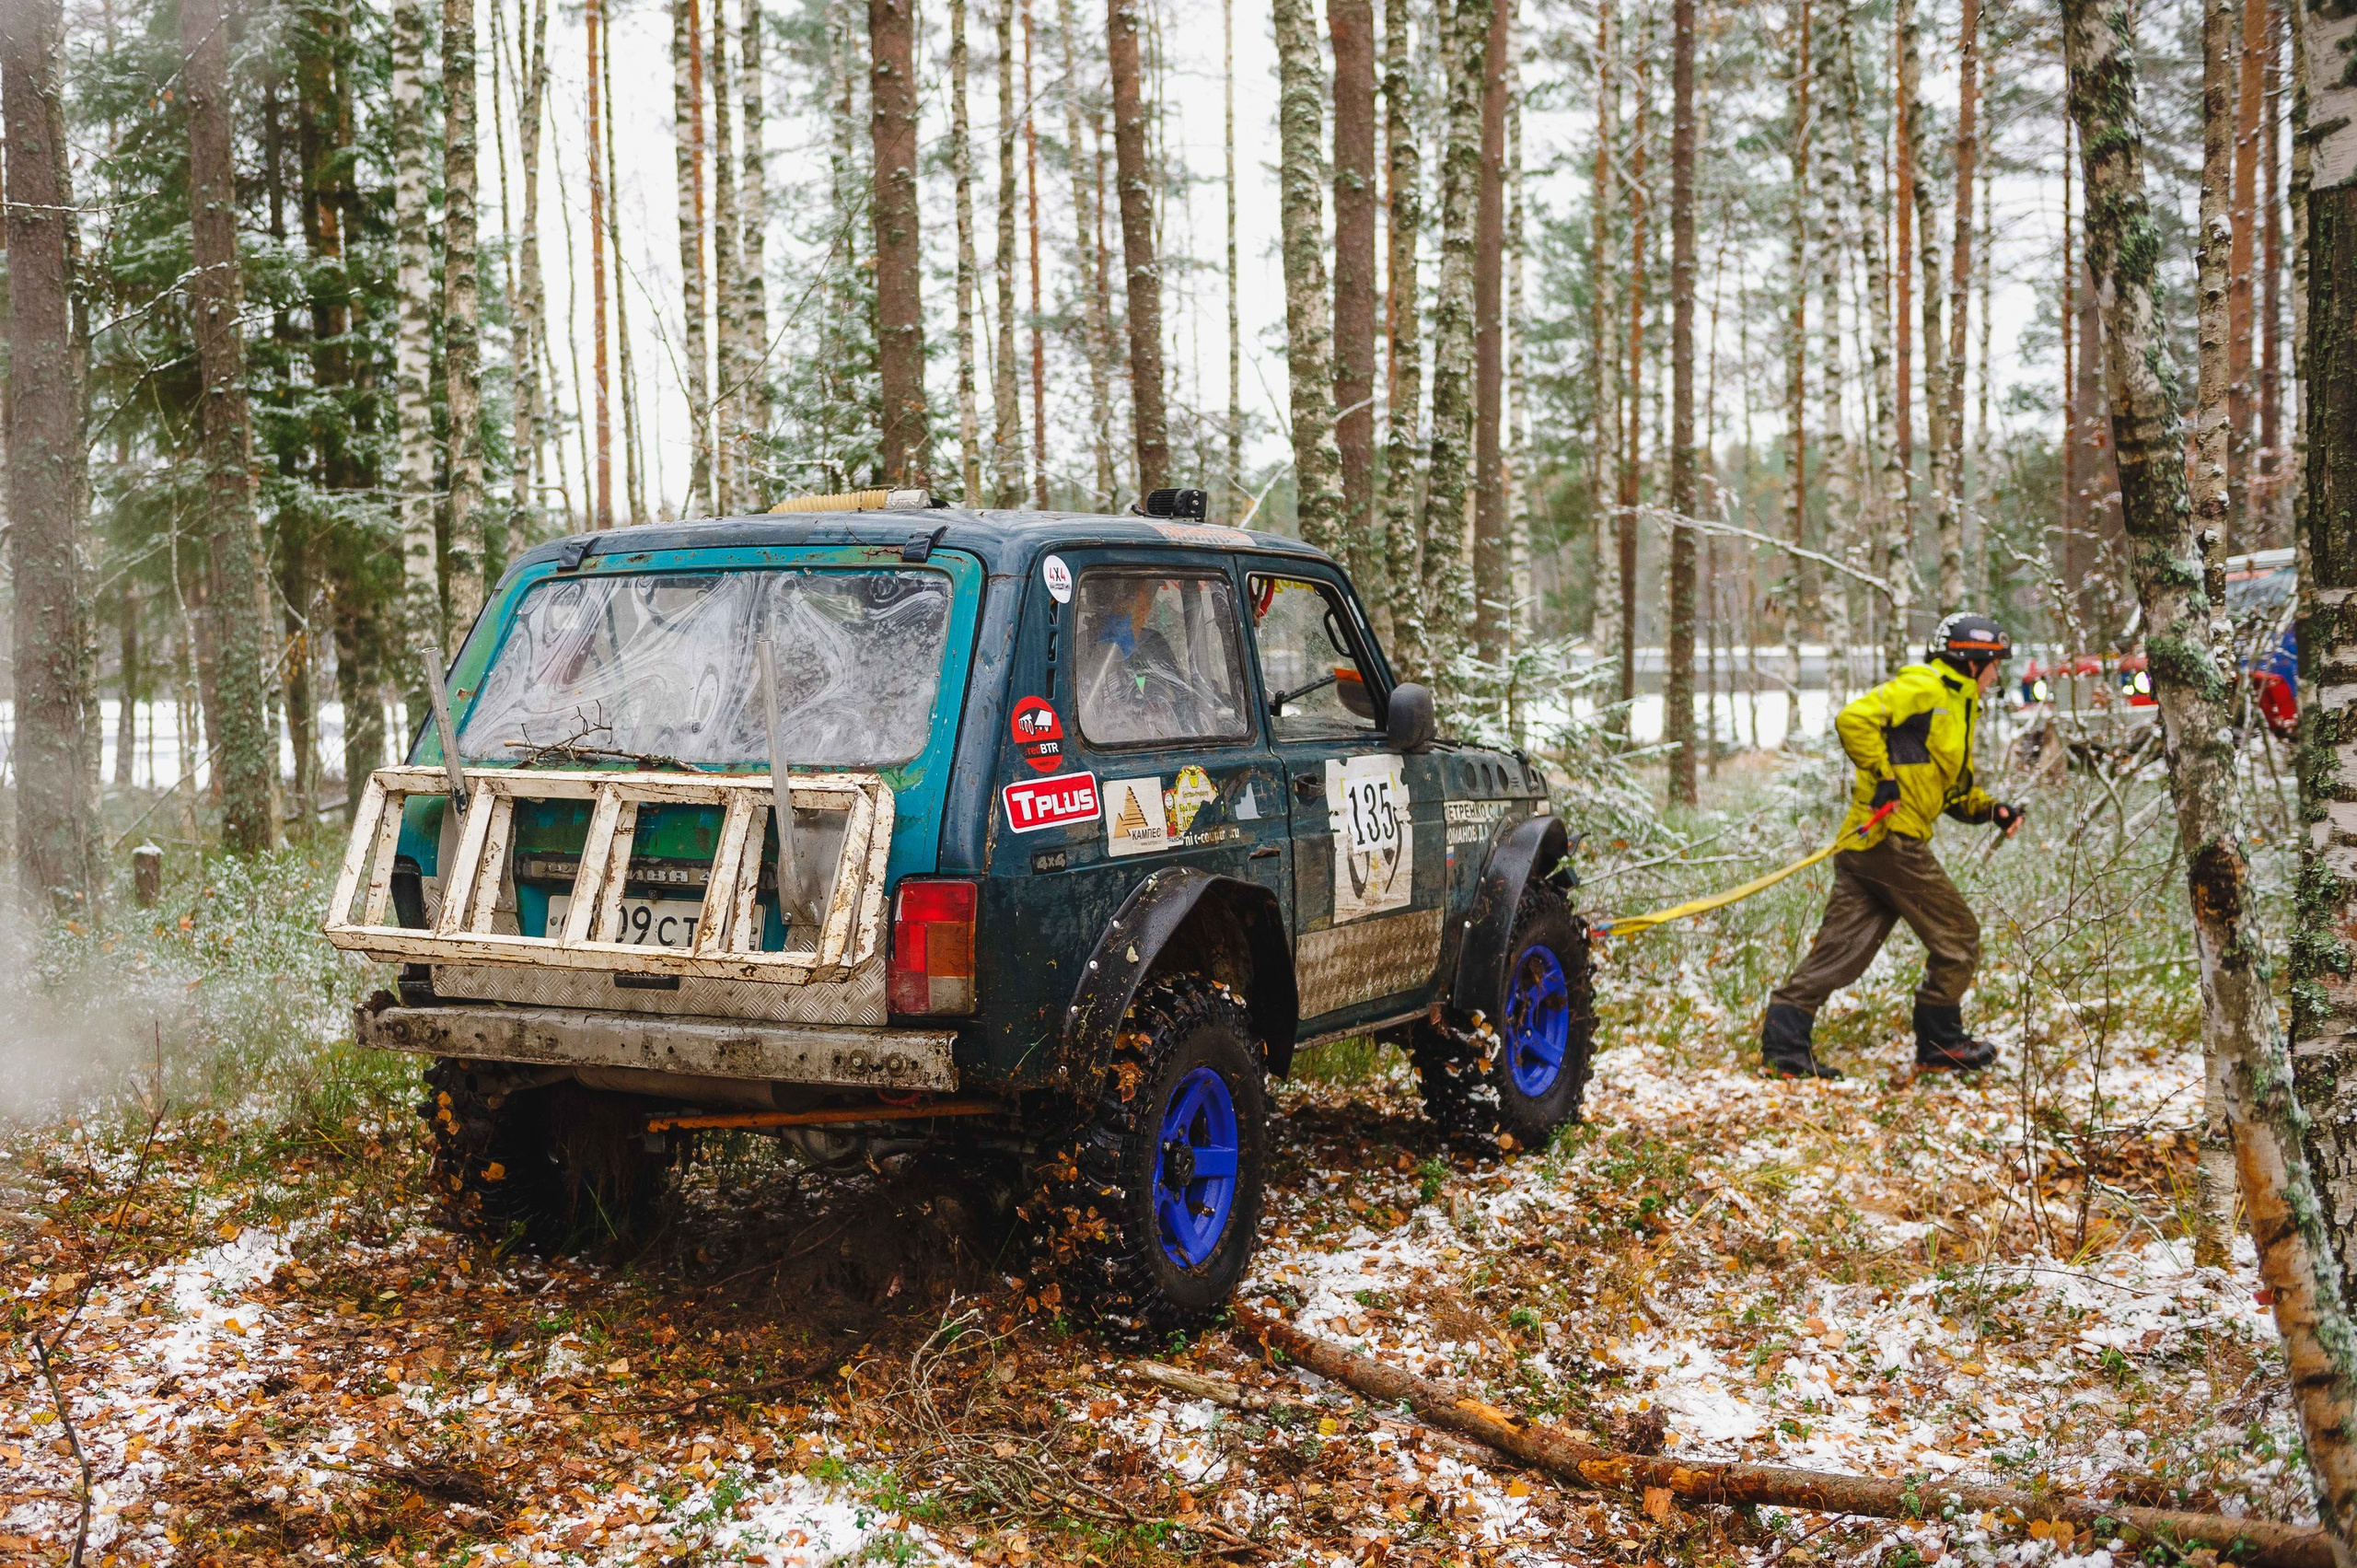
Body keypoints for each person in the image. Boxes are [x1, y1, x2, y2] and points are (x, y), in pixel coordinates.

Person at [1759, 612, 2027, 1079]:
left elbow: (1947, 791)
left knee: (1841, 952)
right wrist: (1883, 780)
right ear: (1973, 661)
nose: (1996, 675)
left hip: (1869, 849)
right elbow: (1853, 719)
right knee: (1958, 936)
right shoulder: (1926, 687)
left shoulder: (1958, 705)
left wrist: (1992, 810)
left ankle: (1785, 1050)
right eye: (1995, 664)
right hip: (1891, 841)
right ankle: (1941, 1043)